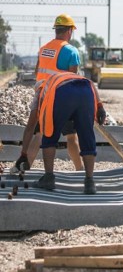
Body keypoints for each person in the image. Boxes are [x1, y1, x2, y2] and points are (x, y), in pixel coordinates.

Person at [16, 71, 107, 194]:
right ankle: (90, 182)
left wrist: (23, 154)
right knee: (87, 135)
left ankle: (48, 178)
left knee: (48, 132)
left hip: (62, 93)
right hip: (86, 91)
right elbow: (89, 83)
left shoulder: (41, 91)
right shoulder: (66, 77)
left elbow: (31, 126)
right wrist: (100, 105)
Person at [14, 14, 84, 172]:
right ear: (69, 31)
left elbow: (37, 71)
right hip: (62, 97)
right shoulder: (71, 51)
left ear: (56, 30)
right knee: (71, 137)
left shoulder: (44, 49)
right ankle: (80, 170)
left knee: (39, 134)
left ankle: (24, 166)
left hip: (42, 95)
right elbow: (74, 80)